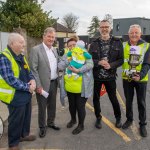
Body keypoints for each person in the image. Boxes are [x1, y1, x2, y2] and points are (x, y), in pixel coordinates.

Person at [0, 33, 36, 150]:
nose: (24, 44)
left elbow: (28, 71)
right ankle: (13, 144)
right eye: (21, 42)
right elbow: (10, 79)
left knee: (26, 116)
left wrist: (32, 80)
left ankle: (24, 135)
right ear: (12, 43)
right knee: (16, 120)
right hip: (14, 95)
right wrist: (28, 87)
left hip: (25, 93)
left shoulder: (20, 55)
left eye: (23, 42)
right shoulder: (4, 57)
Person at [89, 20, 123, 129]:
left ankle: (118, 118)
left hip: (110, 77)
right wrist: (98, 62)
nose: (104, 29)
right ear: (99, 28)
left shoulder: (118, 42)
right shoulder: (93, 43)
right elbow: (89, 60)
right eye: (102, 27)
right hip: (97, 77)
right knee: (96, 99)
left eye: (106, 27)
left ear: (110, 28)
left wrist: (111, 65)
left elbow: (121, 60)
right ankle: (98, 117)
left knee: (113, 98)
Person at [29, 27, 60, 138]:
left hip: (54, 82)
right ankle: (42, 127)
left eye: (53, 37)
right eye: (49, 36)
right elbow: (33, 69)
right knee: (42, 107)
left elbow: (57, 65)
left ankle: (51, 123)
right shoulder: (36, 50)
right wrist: (38, 85)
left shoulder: (54, 50)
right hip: (42, 85)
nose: (51, 39)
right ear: (44, 36)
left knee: (52, 105)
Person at [58, 38, 94, 135]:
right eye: (70, 46)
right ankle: (73, 120)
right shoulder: (67, 55)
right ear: (68, 47)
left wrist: (79, 70)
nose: (72, 47)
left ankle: (81, 125)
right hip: (70, 86)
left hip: (82, 87)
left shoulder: (84, 52)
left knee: (80, 106)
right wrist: (68, 61)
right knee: (72, 105)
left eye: (74, 44)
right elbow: (60, 66)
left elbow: (91, 64)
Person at [122, 24, 150, 137]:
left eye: (136, 33)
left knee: (141, 102)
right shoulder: (123, 45)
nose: (134, 34)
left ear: (140, 34)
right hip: (127, 78)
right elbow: (119, 59)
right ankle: (129, 119)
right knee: (128, 101)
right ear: (128, 34)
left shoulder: (147, 46)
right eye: (132, 33)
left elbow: (147, 63)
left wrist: (141, 75)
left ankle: (142, 124)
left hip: (141, 79)